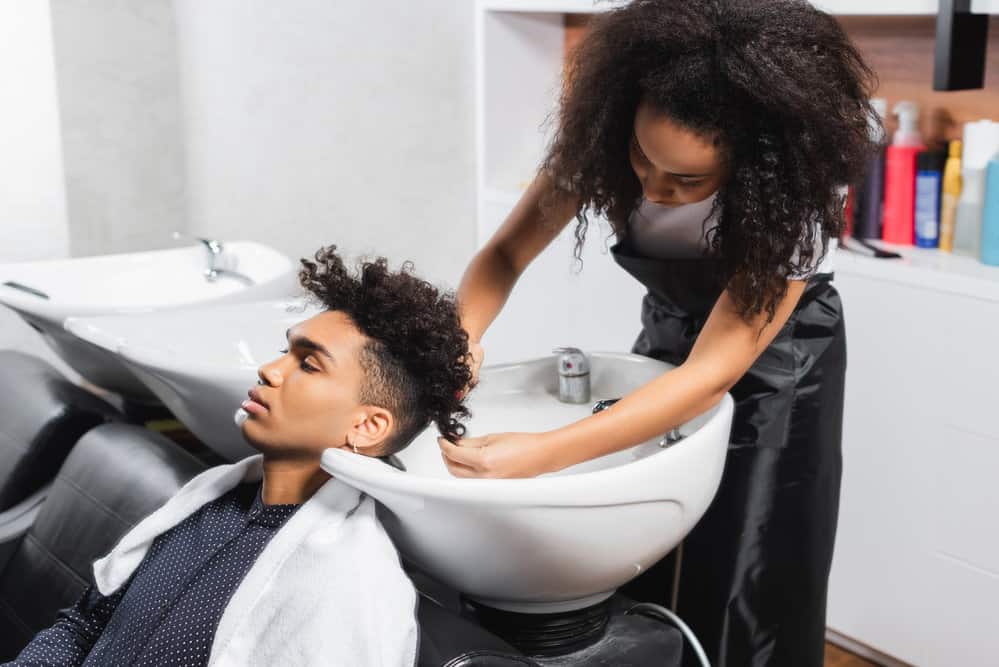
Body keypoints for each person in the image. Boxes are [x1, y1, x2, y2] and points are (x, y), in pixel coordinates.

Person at [437, 1, 876, 665]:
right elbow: (502, 257)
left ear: (754, 161)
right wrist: (460, 340)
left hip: (779, 364)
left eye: (688, 179)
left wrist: (542, 454)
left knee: (745, 563)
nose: (655, 187)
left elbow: (711, 375)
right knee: (645, 535)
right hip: (671, 336)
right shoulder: (601, 143)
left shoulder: (796, 195)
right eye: (643, 160)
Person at [6, 245, 472, 667]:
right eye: (282, 352)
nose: (269, 370)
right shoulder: (207, 506)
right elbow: (85, 625)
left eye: (308, 364)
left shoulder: (344, 590)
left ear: (366, 426)